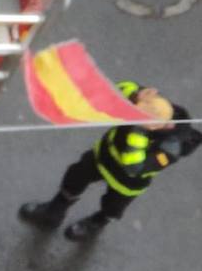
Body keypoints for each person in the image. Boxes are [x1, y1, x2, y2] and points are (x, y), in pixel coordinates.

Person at [19, 81, 202, 241]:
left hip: (126, 182)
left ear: (167, 126)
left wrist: (139, 130)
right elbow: (116, 91)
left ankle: (97, 222)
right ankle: (54, 211)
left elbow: (134, 167)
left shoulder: (171, 147)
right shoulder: (151, 104)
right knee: (75, 177)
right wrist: (134, 95)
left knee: (113, 206)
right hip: (102, 156)